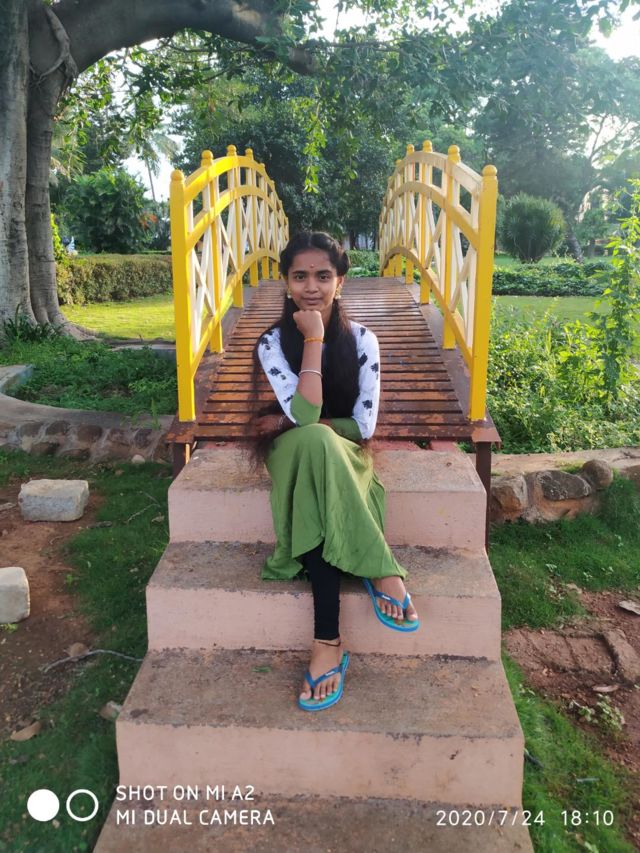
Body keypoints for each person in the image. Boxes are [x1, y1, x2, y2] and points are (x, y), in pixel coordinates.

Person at [249, 231, 420, 712]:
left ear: (340, 282)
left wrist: (315, 427)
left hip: (345, 454)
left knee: (320, 448)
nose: (311, 287)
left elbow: (363, 426)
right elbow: (304, 416)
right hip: (290, 451)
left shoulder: (364, 341)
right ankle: (380, 568)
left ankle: (328, 642)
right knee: (314, 441)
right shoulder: (271, 343)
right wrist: (313, 339)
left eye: (323, 276)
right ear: (286, 282)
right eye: (300, 276)